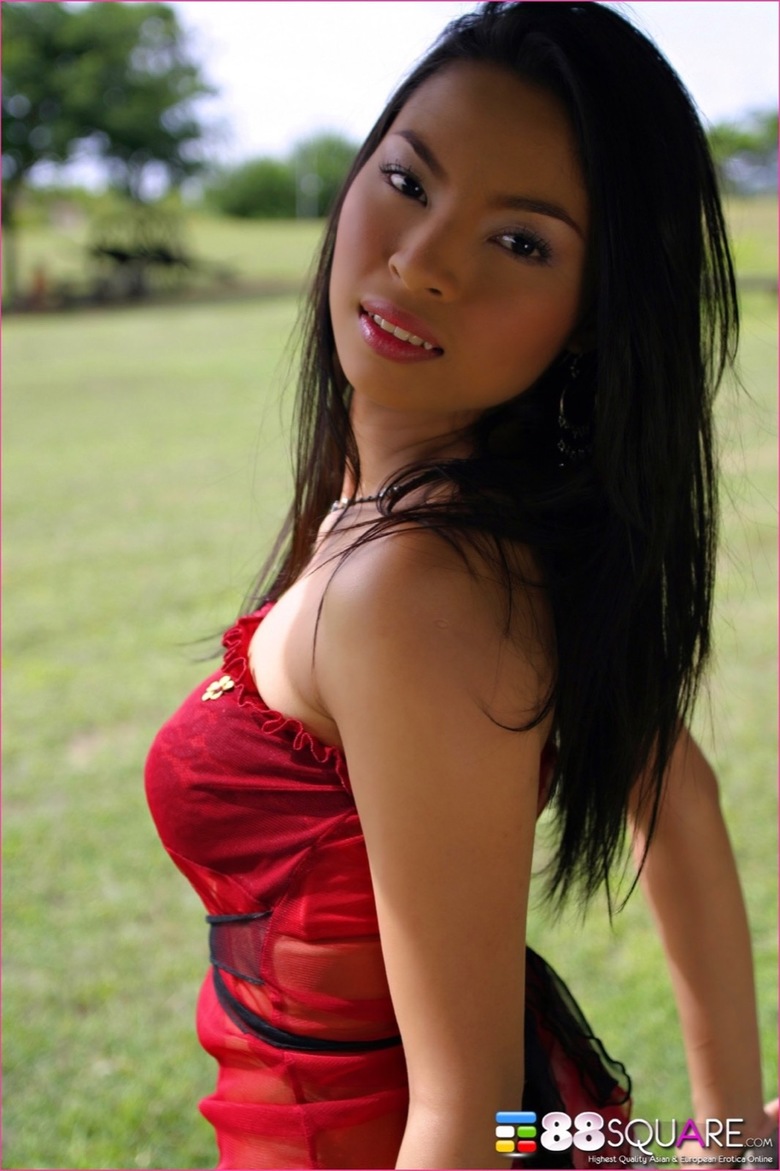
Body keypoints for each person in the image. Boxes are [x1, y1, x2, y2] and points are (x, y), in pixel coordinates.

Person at [145, 4, 776, 1168]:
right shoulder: (449, 517)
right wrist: (727, 1139)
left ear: (592, 317)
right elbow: (676, 793)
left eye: (521, 242)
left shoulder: (417, 587)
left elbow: (470, 1115)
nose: (424, 261)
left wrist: (726, 1144)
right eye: (408, 180)